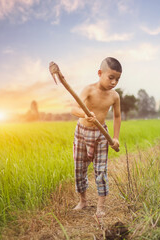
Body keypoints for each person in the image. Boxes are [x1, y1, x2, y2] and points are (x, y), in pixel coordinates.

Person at [70, 57, 121, 217]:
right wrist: (85, 113)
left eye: (117, 79)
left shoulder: (114, 96)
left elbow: (117, 116)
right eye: (111, 77)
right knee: (79, 168)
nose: (114, 82)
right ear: (100, 73)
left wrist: (115, 137)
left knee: (101, 170)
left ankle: (100, 206)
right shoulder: (89, 90)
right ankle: (83, 201)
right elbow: (74, 108)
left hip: (101, 135)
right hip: (82, 132)